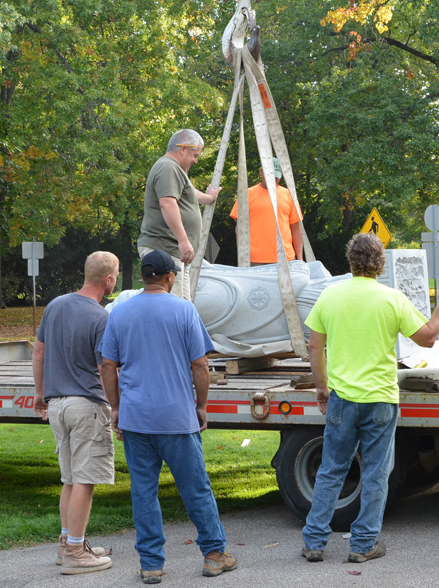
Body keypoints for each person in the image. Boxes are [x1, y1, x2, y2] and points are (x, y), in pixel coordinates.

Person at [301, 233, 439, 564]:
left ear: (350, 260)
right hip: (381, 400)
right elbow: (428, 339)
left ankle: (314, 541)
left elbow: (314, 347)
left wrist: (321, 387)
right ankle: (362, 545)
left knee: (331, 470)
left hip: (342, 399)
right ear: (379, 263)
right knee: (375, 473)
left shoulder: (330, 297)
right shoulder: (392, 299)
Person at [100, 250, 237, 584]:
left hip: (136, 418)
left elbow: (107, 365)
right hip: (176, 418)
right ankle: (214, 555)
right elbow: (200, 364)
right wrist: (201, 405)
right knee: (196, 489)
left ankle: (151, 564)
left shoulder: (120, 313)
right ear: (170, 277)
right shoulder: (184, 310)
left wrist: (116, 408)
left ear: (144, 276)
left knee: (143, 492)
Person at [32, 251, 119, 575]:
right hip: (86, 404)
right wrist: (116, 406)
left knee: (69, 478)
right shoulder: (100, 317)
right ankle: (75, 555)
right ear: (108, 280)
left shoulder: (55, 305)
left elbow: (38, 352)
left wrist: (40, 393)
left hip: (57, 404)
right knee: (85, 479)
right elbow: (104, 367)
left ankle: (68, 542)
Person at [137, 129, 221, 300]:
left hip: (172, 254)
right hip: (165, 250)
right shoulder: (168, 167)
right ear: (183, 149)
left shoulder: (173, 169)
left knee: (182, 307)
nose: (196, 161)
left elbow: (189, 193)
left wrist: (209, 198)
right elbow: (167, 203)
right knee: (170, 309)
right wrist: (183, 241)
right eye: (194, 155)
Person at [230, 157, 304, 265]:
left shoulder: (289, 195)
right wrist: (243, 256)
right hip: (254, 261)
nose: (273, 180)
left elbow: (296, 228)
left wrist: (300, 258)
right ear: (261, 171)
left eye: (276, 177)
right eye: (269, 175)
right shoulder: (247, 194)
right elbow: (240, 228)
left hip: (286, 260)